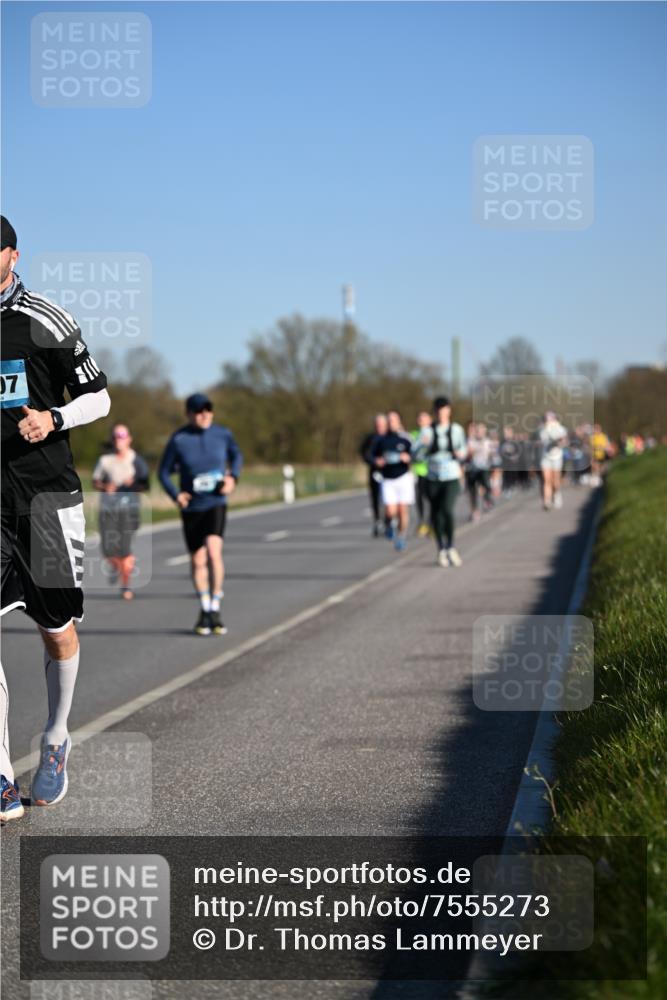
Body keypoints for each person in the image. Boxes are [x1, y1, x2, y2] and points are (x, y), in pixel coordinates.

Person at [0, 216, 110, 821]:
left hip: (45, 499)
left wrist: (55, 419)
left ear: (12, 255)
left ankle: (56, 737)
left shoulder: (44, 318)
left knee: (57, 628)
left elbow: (101, 396)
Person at [159, 393, 243, 636]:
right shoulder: (179, 439)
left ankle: (216, 606)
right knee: (197, 559)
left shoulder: (222, 434)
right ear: (188, 414)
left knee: (213, 551)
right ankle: (205, 609)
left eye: (208, 409)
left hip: (216, 502)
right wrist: (176, 495)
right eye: (198, 411)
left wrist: (232, 478)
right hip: (192, 507)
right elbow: (163, 473)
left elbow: (237, 456)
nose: (205, 414)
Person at [92, 424, 150, 600]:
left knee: (125, 549)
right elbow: (95, 482)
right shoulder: (105, 460)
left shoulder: (136, 460)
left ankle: (126, 586)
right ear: (112, 439)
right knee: (108, 550)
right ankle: (117, 567)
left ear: (129, 439)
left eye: (123, 435)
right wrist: (105, 486)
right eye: (116, 436)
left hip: (129, 510)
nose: (119, 439)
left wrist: (130, 484)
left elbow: (145, 484)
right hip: (108, 509)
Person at [412, 396, 467, 567]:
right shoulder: (427, 431)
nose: (442, 413)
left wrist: (461, 454)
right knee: (436, 513)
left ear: (449, 411)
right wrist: (423, 446)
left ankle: (451, 546)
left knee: (448, 510)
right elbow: (415, 455)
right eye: (438, 410)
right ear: (435, 412)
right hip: (433, 477)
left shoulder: (456, 430)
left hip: (451, 476)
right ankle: (441, 549)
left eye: (445, 409)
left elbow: (463, 449)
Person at [372, 410, 414, 552]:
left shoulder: (406, 439)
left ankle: (401, 536)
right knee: (390, 510)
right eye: (389, 421)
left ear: (399, 421)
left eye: (394, 420)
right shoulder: (381, 440)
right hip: (388, 479)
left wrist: (409, 458)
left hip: (403, 477)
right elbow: (371, 456)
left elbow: (417, 455)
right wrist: (377, 461)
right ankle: (389, 522)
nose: (391, 423)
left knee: (403, 510)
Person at [360, 414, 388, 537]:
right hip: (375, 472)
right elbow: (364, 453)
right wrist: (375, 461)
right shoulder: (370, 438)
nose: (379, 427)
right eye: (377, 424)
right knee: (376, 498)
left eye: (382, 424)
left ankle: (389, 522)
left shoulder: (390, 436)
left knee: (389, 499)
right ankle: (377, 521)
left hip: (389, 473)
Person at [465, 422, 494, 522]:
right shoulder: (470, 440)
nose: (480, 432)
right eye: (478, 430)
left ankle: (487, 499)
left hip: (484, 468)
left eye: (482, 430)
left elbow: (492, 455)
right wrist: (471, 452)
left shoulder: (488, 441)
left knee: (486, 485)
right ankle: (475, 512)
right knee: (472, 491)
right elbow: (466, 455)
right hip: (472, 469)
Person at [539, 411, 568, 510]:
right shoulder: (543, 430)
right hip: (546, 457)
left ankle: (557, 494)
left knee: (555, 481)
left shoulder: (561, 429)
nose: (548, 421)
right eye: (547, 419)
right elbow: (545, 441)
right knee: (547, 480)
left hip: (557, 457)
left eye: (550, 418)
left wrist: (561, 440)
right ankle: (547, 501)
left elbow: (564, 443)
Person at [410, 411, 432, 536]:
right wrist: (419, 442)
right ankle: (422, 522)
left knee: (431, 499)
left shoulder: (435, 433)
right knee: (420, 498)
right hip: (418, 471)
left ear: (429, 421)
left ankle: (431, 522)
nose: (421, 421)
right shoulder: (414, 434)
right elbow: (410, 451)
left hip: (432, 471)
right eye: (419, 418)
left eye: (424, 419)